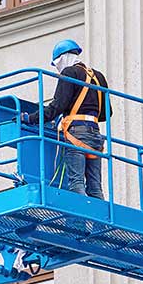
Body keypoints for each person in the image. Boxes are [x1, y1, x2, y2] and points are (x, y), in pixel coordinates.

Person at [22, 39, 110, 199]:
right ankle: (100, 224)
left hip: (76, 133)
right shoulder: (99, 77)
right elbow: (106, 113)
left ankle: (80, 224)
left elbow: (57, 107)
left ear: (62, 58)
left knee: (76, 183)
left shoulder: (69, 73)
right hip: (95, 135)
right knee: (95, 187)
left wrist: (31, 118)